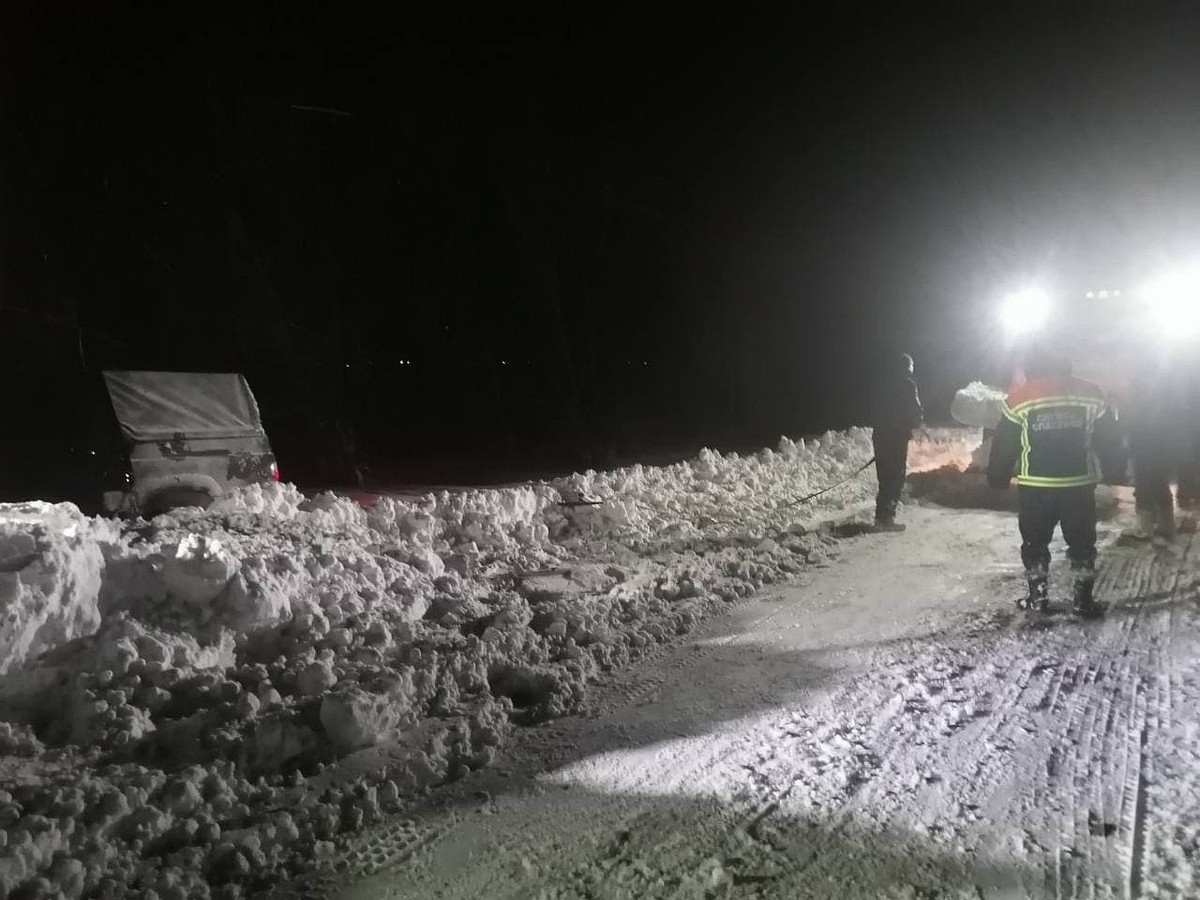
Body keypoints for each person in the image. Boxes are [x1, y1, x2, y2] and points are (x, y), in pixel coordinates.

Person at [987, 345, 1123, 615]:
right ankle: (1083, 601)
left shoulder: (1019, 398)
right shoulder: (1091, 393)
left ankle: (1037, 598)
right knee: (1082, 542)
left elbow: (1004, 443)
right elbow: (1108, 439)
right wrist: (1115, 469)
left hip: (1036, 485)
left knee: (1035, 542)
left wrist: (998, 477)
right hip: (1078, 484)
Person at [871, 352, 923, 531]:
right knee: (895, 478)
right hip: (896, 438)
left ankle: (880, 517)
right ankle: (887, 519)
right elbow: (914, 411)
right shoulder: (907, 386)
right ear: (908, 368)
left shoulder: (882, 386)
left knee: (884, 478)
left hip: (880, 436)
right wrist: (915, 424)